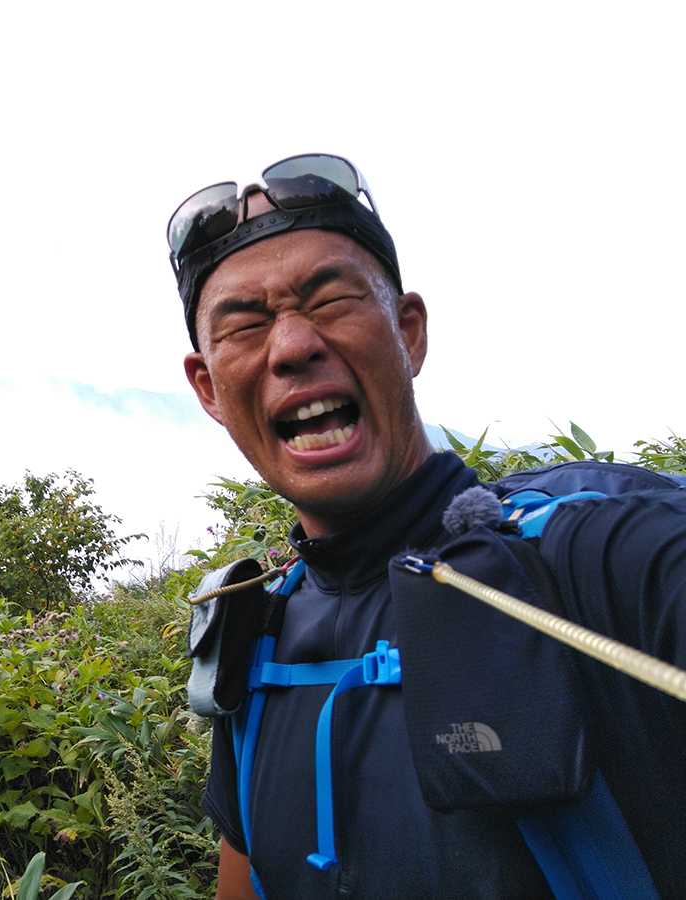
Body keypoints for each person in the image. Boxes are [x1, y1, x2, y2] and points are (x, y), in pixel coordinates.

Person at [167, 154, 686, 898]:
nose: (292, 346)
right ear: (209, 389)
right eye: (245, 326)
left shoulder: (593, 554)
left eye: (331, 299)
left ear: (409, 333)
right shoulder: (255, 642)